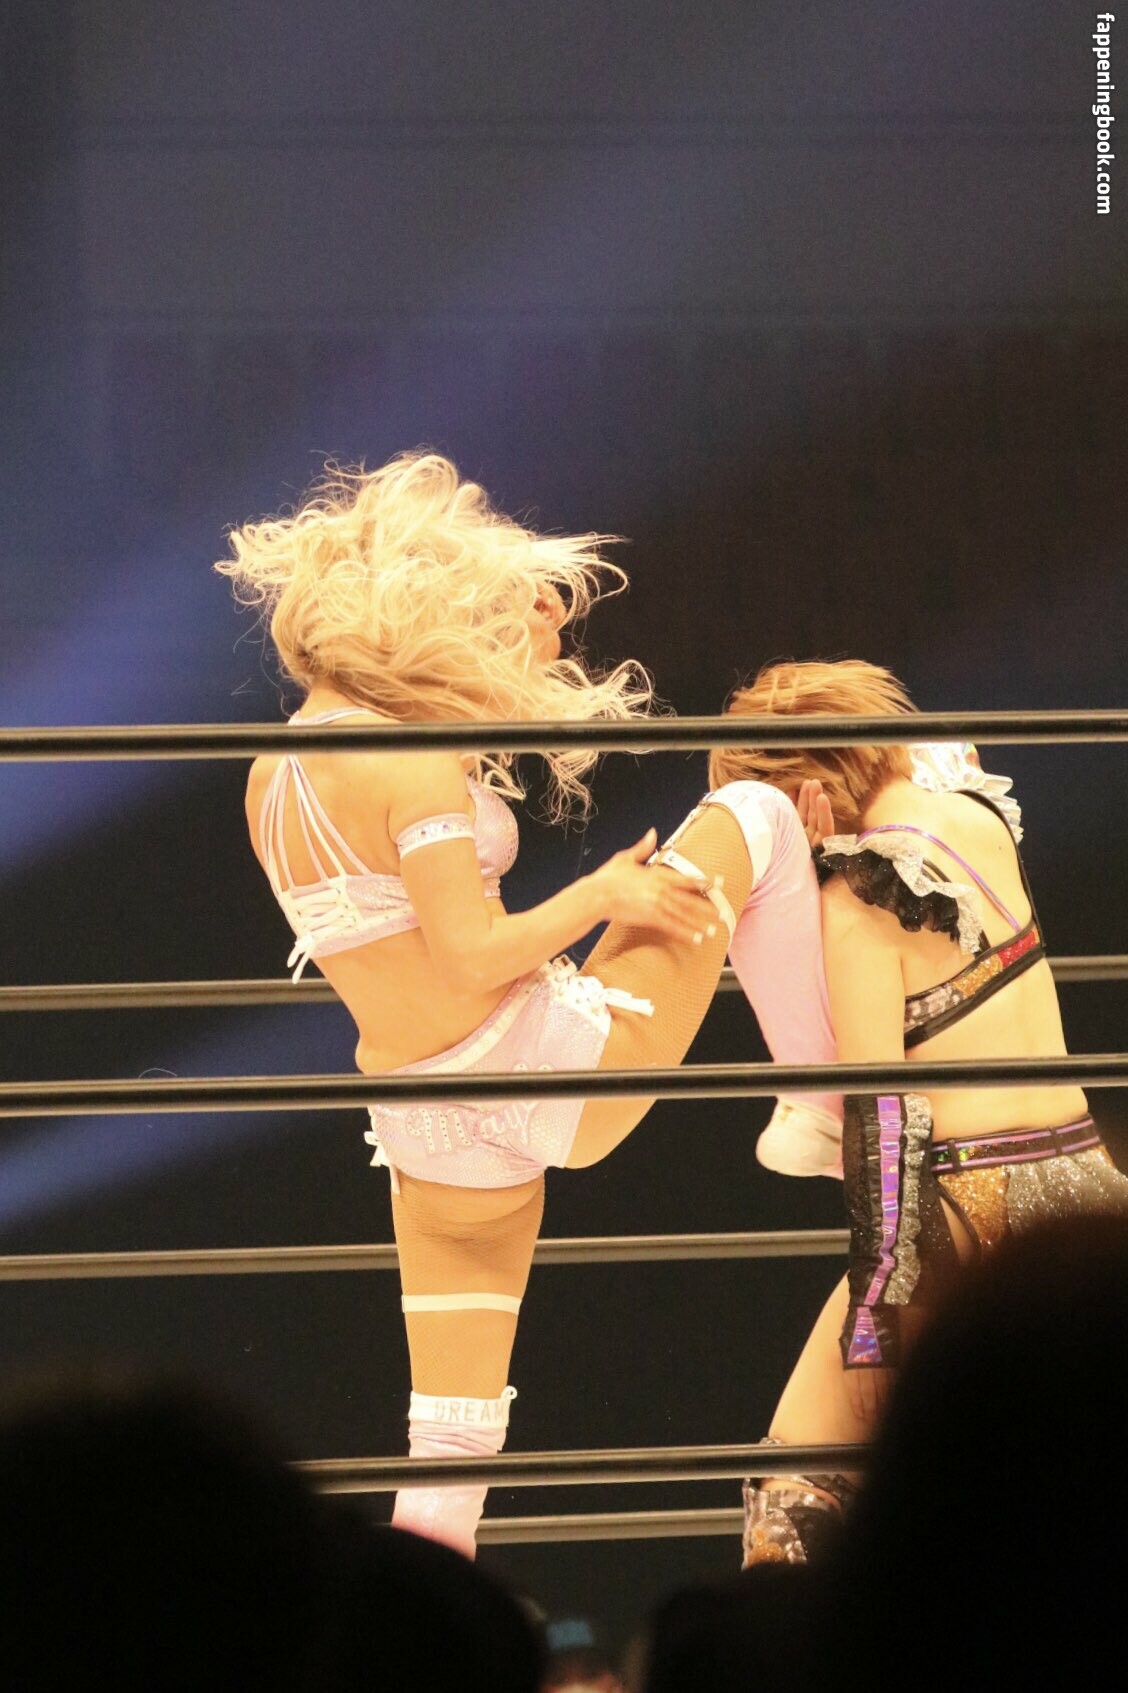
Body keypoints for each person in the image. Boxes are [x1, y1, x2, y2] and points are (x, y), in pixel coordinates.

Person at [215, 452, 824, 1557]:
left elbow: (397, 935)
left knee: (450, 1433)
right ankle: (823, 1102)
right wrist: (602, 896)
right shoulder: (410, 761)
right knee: (755, 816)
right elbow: (469, 957)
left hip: (421, 1117)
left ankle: (409, 1634)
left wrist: (525, 627)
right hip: (538, 1062)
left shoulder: (273, 773)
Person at [706, 658, 1128, 1566]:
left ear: (792, 793)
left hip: (972, 1205)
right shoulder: (979, 815)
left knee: (794, 1494)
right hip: (1090, 1181)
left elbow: (882, 1120)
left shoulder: (857, 898)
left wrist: (875, 1319)